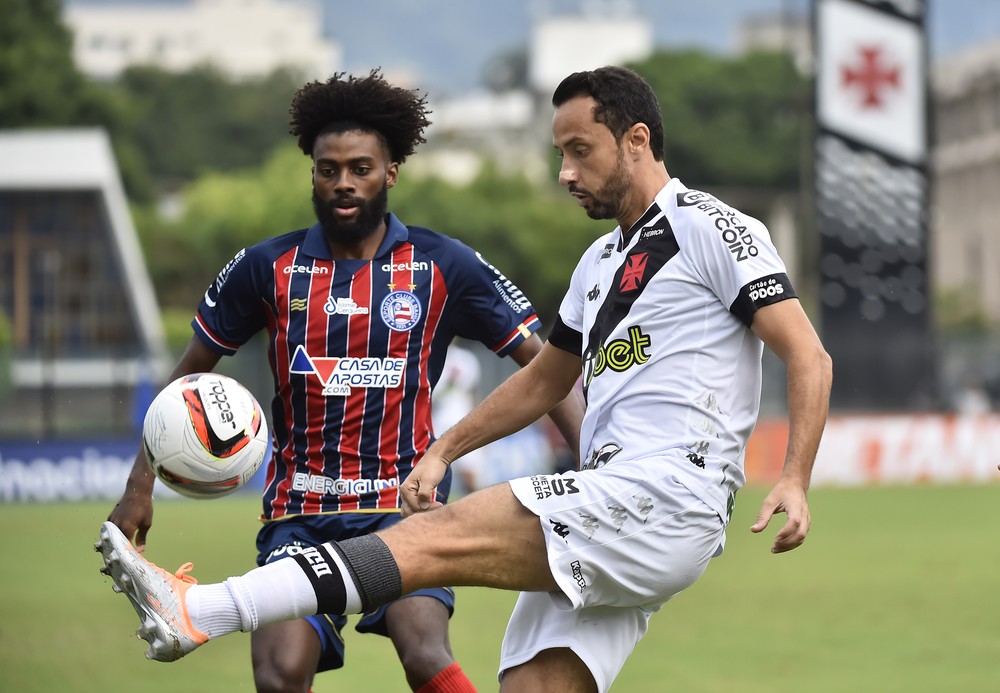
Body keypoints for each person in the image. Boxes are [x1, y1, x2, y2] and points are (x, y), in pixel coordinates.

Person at [98, 65, 833, 692]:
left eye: (580, 151)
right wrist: (444, 450)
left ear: (636, 140)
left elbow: (809, 355)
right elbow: (544, 380)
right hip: (613, 505)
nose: (565, 173)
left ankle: (198, 609)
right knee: (530, 683)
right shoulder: (598, 264)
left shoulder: (710, 227)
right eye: (561, 154)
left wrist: (795, 477)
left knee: (434, 538)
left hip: (663, 493)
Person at [104, 69, 584, 693]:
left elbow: (547, 369)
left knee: (424, 651)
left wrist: (595, 461)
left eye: (361, 168)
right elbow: (186, 378)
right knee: (278, 674)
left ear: (391, 173)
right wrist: (139, 486)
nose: (344, 183)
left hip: (402, 508)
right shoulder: (267, 267)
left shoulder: (443, 265)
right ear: (313, 175)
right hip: (299, 514)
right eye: (328, 170)